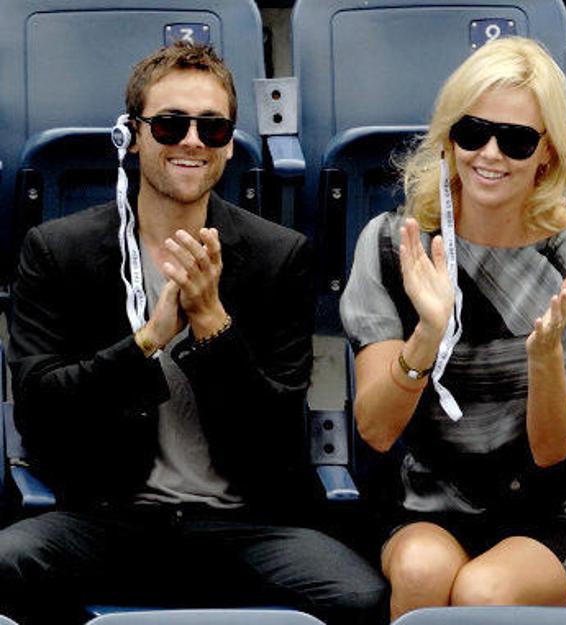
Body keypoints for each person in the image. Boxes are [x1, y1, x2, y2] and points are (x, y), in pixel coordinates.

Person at [3, 43, 386, 624]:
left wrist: (211, 322)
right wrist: (148, 340)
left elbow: (276, 442)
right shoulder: (59, 250)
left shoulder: (278, 256)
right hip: (107, 518)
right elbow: (39, 410)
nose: (191, 141)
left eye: (212, 128)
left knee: (359, 597)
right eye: (169, 124)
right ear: (133, 135)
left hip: (245, 523)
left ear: (229, 144)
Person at [340, 36, 566, 620]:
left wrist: (544, 359)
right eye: (472, 132)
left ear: (547, 153)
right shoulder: (394, 244)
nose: (489, 154)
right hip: (431, 499)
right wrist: (428, 334)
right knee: (423, 574)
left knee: (484, 593)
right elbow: (375, 429)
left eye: (516, 139)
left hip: (561, 507)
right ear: (449, 139)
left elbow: (554, 453)